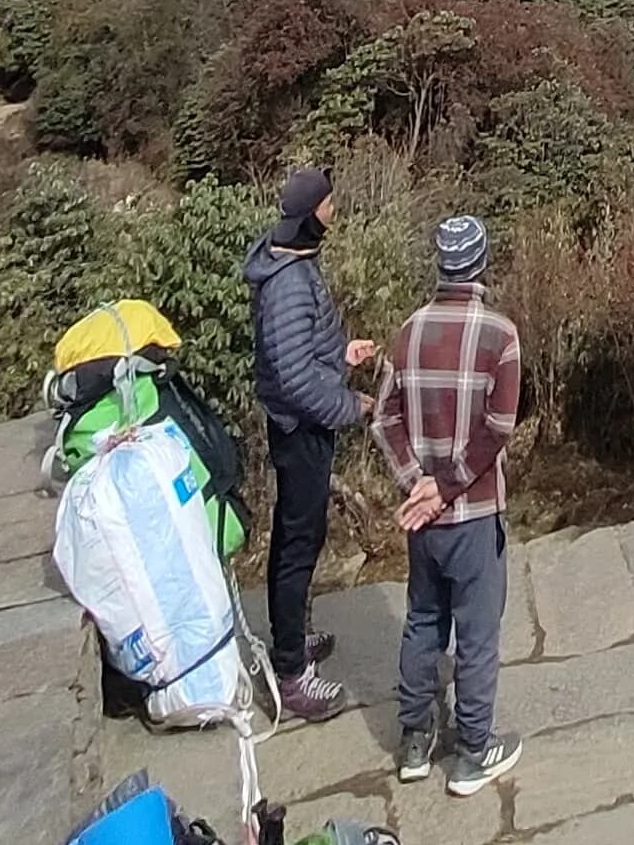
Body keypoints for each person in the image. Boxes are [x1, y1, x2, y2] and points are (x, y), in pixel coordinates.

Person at [376, 213, 524, 797]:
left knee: (423, 619)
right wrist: (448, 484)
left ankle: (415, 740)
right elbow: (499, 427)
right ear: (481, 264)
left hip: (424, 518)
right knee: (478, 635)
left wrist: (418, 482)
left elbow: (384, 418)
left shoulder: (408, 332)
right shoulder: (500, 336)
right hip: (475, 512)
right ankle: (472, 753)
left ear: (440, 264)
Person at [244, 165, 376, 720]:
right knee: (298, 542)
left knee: (302, 533)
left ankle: (292, 637)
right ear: (309, 215)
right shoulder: (288, 283)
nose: (334, 213)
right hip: (301, 429)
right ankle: (292, 673)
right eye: (328, 205)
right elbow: (294, 379)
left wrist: (341, 355)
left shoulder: (291, 261)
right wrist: (349, 406)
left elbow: (300, 353)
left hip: (301, 423)